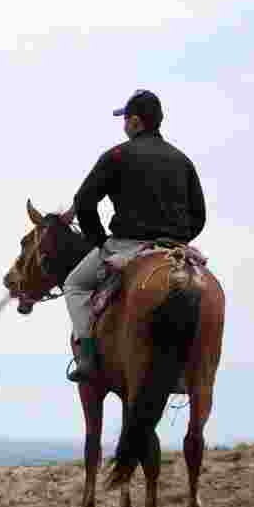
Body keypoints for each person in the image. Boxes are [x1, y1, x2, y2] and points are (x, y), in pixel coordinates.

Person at [65, 89, 207, 383]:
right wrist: (178, 239)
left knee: (74, 284)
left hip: (127, 246)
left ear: (137, 123)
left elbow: (84, 201)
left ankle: (88, 355)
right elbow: (200, 215)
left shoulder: (117, 155)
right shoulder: (183, 160)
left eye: (126, 119)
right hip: (175, 250)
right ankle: (184, 370)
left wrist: (101, 243)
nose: (124, 125)